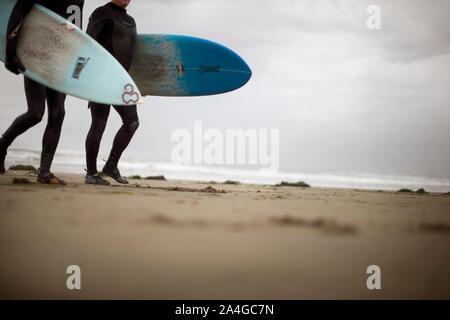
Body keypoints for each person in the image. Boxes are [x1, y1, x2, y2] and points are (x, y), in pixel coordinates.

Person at [0, 0, 85, 184]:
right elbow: (18, 11)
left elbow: (77, 31)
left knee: (58, 113)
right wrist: (11, 52)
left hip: (60, 61)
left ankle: (44, 172)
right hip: (35, 54)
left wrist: (76, 68)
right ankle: (2, 146)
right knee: (35, 113)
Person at [84, 0, 139, 185]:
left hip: (121, 82)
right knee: (99, 123)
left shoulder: (131, 20)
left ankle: (111, 166)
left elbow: (132, 54)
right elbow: (86, 44)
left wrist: (140, 85)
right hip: (101, 78)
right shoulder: (101, 13)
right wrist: (86, 78)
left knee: (132, 122)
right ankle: (91, 173)